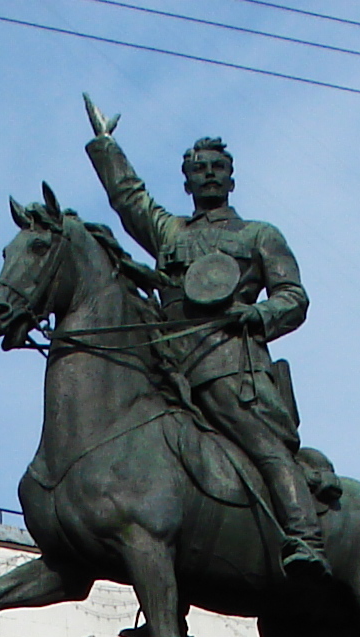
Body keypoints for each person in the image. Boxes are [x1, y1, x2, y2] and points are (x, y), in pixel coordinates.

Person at [82, 97, 329, 575]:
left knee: (262, 446)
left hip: (229, 368)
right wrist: (105, 145)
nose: (210, 176)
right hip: (165, 368)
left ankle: (306, 538)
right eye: (201, 170)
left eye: (219, 169)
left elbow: (293, 297)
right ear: (188, 180)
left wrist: (256, 316)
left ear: (231, 178)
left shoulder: (259, 235)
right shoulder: (170, 234)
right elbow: (130, 198)